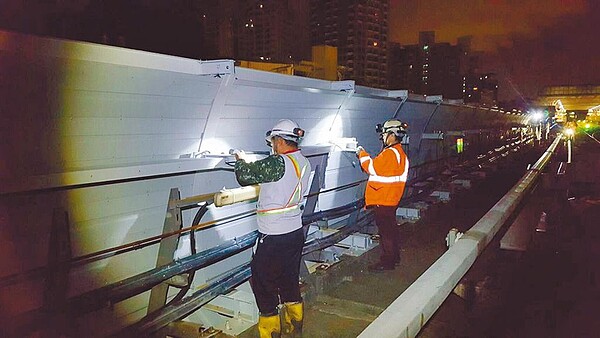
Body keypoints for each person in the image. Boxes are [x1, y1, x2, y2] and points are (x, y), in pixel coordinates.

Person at [234, 119, 311, 338]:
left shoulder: (278, 162)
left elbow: (245, 176)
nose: (272, 146)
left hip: (273, 235)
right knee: (288, 278)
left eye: (273, 142)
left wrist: (240, 160)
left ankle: (270, 330)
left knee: (262, 282)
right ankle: (294, 324)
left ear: (278, 140)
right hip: (295, 232)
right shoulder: (303, 161)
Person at [357, 119, 409, 272]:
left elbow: (371, 167)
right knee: (391, 230)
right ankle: (395, 257)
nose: (383, 137)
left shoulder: (389, 154)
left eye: (385, 134)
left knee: (386, 233)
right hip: (391, 199)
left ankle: (387, 262)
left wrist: (361, 153)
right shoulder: (401, 154)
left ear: (392, 135)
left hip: (383, 200)